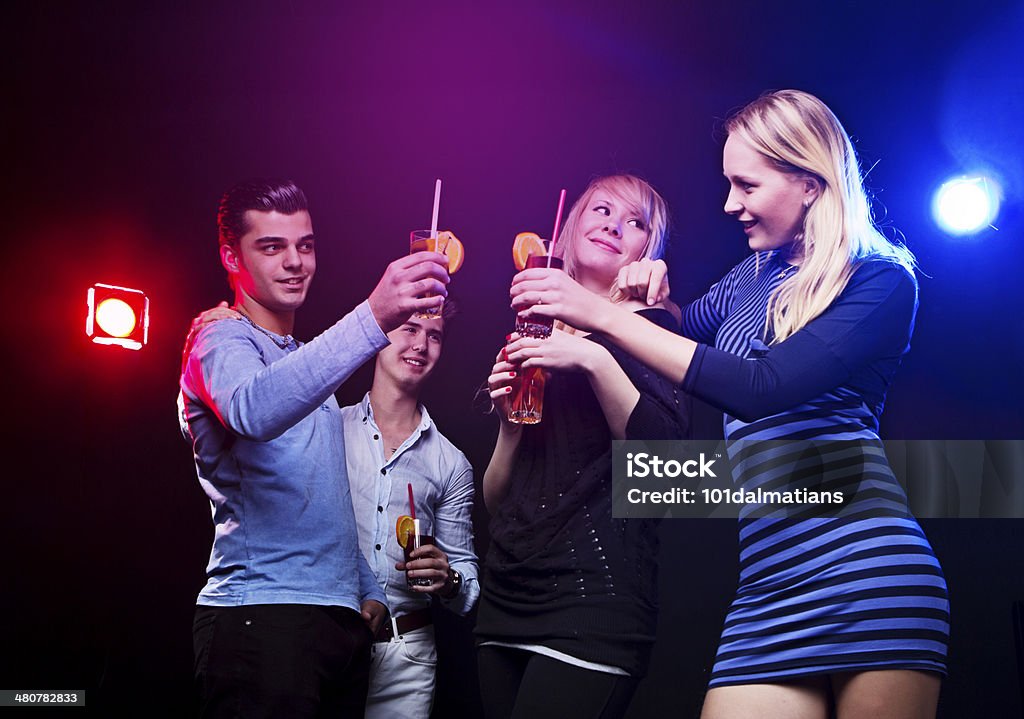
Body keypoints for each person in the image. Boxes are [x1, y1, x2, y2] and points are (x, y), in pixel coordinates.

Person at [509, 90, 950, 718]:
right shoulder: (751, 275)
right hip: (767, 590)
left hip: (867, 572)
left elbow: (759, 387)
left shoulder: (880, 281)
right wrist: (650, 297)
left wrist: (601, 314)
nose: (729, 204)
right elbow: (681, 335)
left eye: (745, 185)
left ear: (810, 183)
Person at [179, 178, 450, 718]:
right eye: (271, 247)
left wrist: (366, 589)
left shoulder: (306, 361)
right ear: (231, 256)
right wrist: (374, 315)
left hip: (335, 626)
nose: (294, 262)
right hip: (261, 617)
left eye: (304, 245)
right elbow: (255, 411)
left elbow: (320, 499)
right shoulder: (219, 340)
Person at [477, 174, 690, 719]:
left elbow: (665, 474)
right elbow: (500, 503)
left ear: (648, 252)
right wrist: (509, 426)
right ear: (569, 232)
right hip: (506, 597)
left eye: (635, 221)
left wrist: (594, 358)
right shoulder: (536, 330)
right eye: (600, 210)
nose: (614, 225)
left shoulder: (652, 330)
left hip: (592, 602)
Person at [342, 303, 479, 719]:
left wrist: (449, 578)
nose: (421, 343)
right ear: (379, 332)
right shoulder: (330, 427)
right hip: (328, 645)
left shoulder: (451, 463)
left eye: (434, 335)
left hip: (407, 658)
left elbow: (468, 589)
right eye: (409, 328)